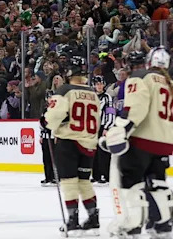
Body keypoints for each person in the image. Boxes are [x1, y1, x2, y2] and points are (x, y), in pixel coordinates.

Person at [106, 47, 173, 237]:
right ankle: (162, 225)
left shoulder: (140, 76)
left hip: (141, 140)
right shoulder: (170, 83)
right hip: (164, 143)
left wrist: (120, 131)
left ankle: (132, 225)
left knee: (131, 183)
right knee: (157, 183)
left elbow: (135, 109)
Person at [42, 57, 100, 234]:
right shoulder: (93, 93)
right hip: (89, 142)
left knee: (68, 181)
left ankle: (73, 220)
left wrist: (45, 122)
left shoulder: (65, 90)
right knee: (84, 181)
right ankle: (93, 217)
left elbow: (53, 116)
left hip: (69, 142)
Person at [91, 76, 115, 184]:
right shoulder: (91, 97)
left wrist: (107, 127)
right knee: (93, 152)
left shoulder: (107, 97)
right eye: (97, 84)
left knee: (104, 153)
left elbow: (111, 113)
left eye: (101, 84)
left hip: (103, 127)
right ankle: (96, 175)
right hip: (92, 128)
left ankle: (105, 175)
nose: (99, 86)